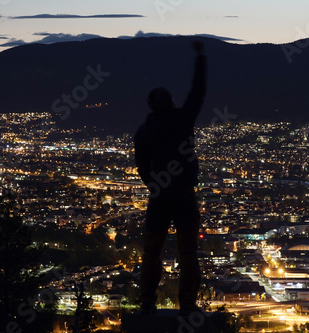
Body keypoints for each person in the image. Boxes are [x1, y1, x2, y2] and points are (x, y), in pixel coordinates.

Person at [134, 41, 207, 315]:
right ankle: (187, 305)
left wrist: (154, 185)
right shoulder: (182, 119)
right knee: (187, 252)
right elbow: (198, 92)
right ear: (171, 101)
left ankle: (146, 303)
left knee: (151, 251)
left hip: (159, 196)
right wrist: (201, 58)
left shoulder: (143, 132)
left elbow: (141, 166)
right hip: (184, 194)